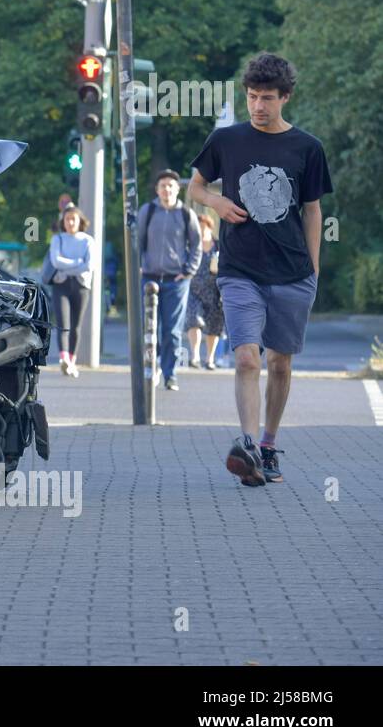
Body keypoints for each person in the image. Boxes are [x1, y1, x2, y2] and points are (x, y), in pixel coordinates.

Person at [188, 52, 332, 487]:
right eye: (252, 97)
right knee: (248, 358)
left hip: (292, 273)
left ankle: (268, 444)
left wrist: (314, 272)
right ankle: (247, 446)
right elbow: (195, 185)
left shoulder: (307, 148)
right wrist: (216, 201)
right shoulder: (227, 141)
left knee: (281, 364)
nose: (258, 106)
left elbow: (312, 211)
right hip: (239, 270)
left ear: (285, 97)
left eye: (267, 98)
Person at [138, 169, 201, 391]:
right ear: (157, 189)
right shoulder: (148, 210)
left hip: (176, 281)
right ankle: (150, 368)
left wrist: (189, 270)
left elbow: (196, 245)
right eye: (163, 185)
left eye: (171, 186)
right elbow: (137, 241)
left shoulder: (186, 214)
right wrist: (138, 264)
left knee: (172, 332)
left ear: (178, 189)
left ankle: (170, 374)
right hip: (149, 279)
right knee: (148, 329)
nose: (167, 189)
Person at [47, 204, 94, 378]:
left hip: (81, 286)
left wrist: (68, 267)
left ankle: (72, 362)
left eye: (73, 219)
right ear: (63, 222)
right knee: (62, 324)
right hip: (61, 285)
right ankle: (64, 358)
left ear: (80, 221)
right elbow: (56, 262)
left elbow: (89, 265)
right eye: (67, 219)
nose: (70, 222)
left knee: (75, 326)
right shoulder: (57, 239)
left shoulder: (88, 241)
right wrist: (77, 263)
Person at [186, 215, 224, 370]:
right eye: (198, 227)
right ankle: (194, 356)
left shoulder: (219, 246)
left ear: (209, 227)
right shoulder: (191, 246)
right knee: (194, 319)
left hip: (215, 292)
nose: (200, 230)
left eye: (203, 226)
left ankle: (210, 359)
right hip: (194, 290)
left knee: (213, 326)